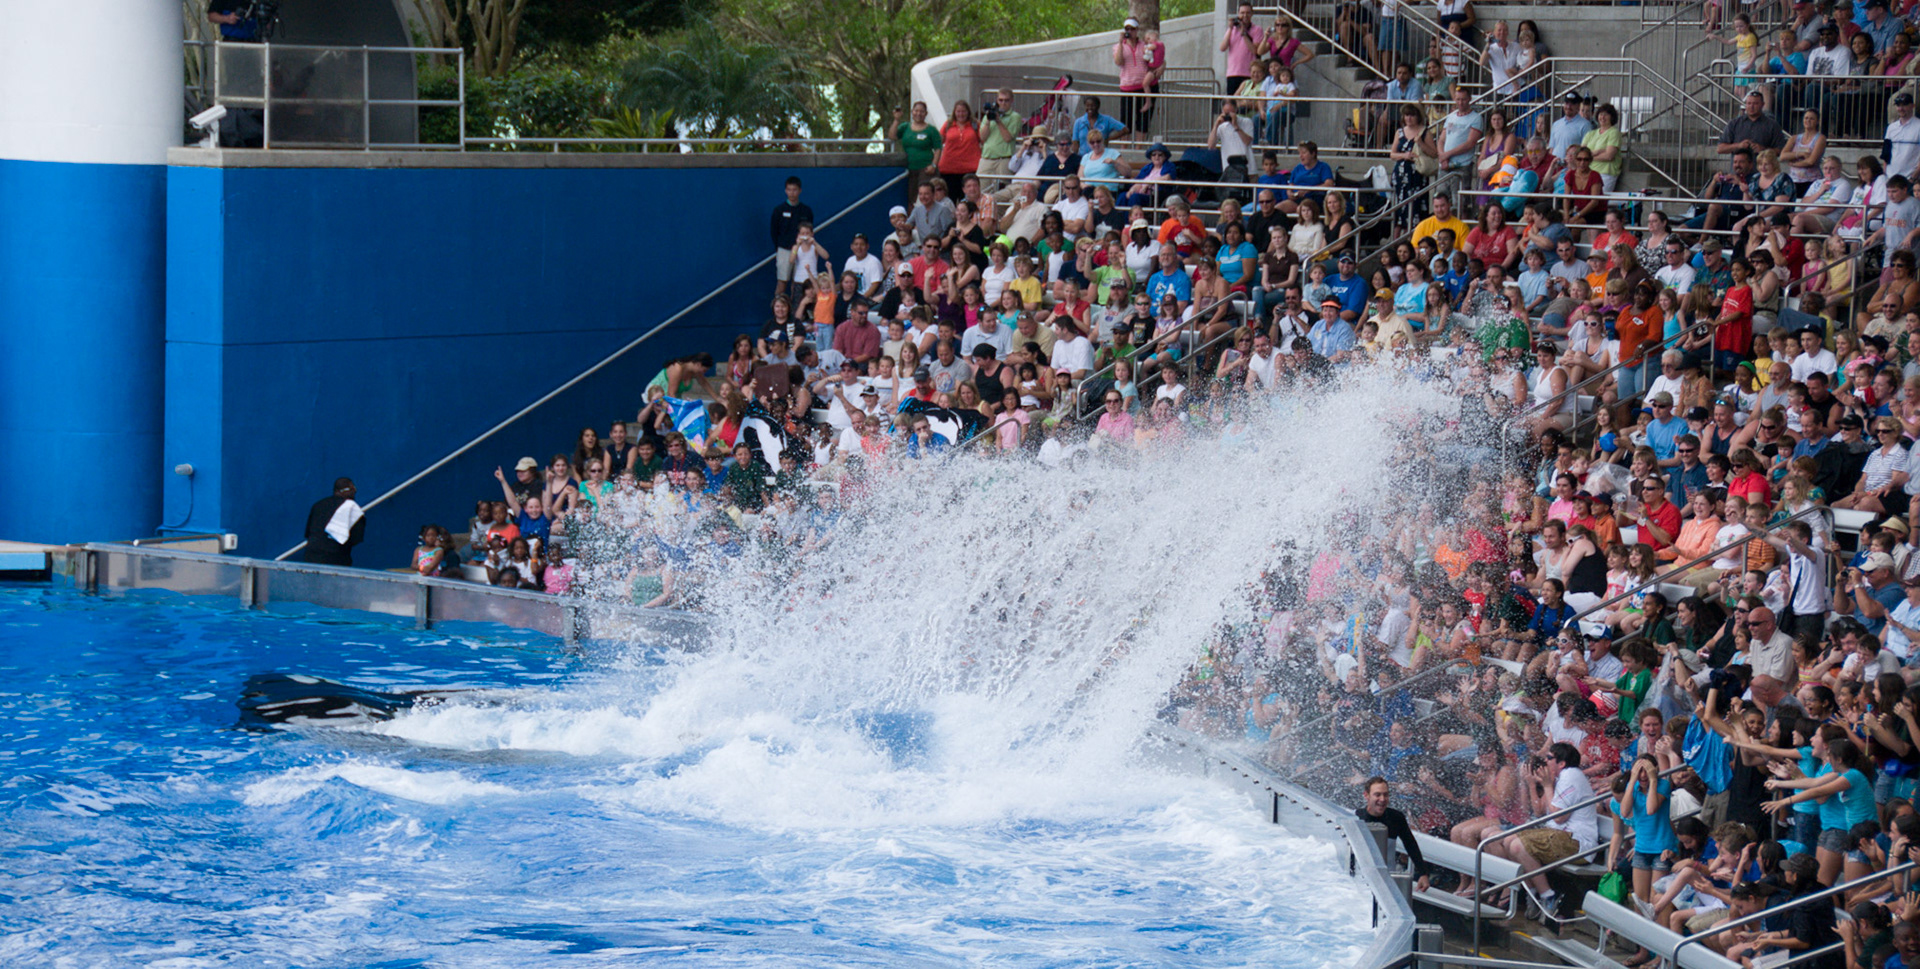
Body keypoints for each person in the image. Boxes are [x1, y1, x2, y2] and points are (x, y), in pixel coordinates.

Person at [1357, 776, 1431, 891]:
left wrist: (1423, 873)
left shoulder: (1396, 817)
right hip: (1361, 878)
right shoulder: (1356, 818)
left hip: (1387, 879)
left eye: (1385, 795)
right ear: (1366, 795)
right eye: (1377, 795)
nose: (1382, 799)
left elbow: (1410, 844)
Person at [302, 477, 365, 567]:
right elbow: (356, 538)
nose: (354, 492)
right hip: (336, 558)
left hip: (312, 556)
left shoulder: (318, 505)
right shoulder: (352, 508)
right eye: (353, 489)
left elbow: (308, 533)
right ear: (345, 491)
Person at [770, 176, 814, 301]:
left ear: (800, 190)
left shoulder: (806, 211)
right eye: (789, 190)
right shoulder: (779, 210)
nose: (792, 193)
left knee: (798, 284)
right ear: (785, 191)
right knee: (782, 282)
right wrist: (781, 247)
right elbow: (774, 231)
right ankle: (778, 310)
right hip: (785, 250)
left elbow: (810, 230)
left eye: (794, 190)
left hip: (802, 251)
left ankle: (796, 313)